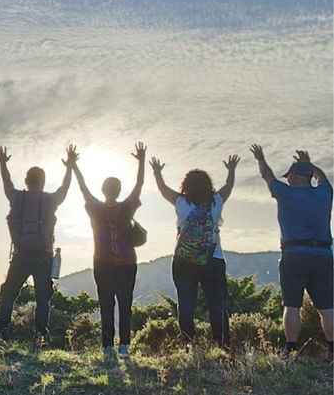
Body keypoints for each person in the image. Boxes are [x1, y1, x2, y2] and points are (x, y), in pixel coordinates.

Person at [249, 145, 333, 360]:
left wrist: (260, 158)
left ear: (295, 176)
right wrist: (309, 163)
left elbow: (267, 176)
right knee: (327, 306)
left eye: (289, 176)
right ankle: (332, 350)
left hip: (295, 254)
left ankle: (291, 349)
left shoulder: (285, 193)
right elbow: (321, 176)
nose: (287, 179)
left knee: (292, 305)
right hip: (323, 255)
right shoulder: (325, 193)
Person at [150, 154, 239, 349]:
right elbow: (228, 187)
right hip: (213, 258)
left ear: (186, 185)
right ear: (208, 185)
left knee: (186, 302)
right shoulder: (216, 201)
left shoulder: (180, 202)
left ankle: (188, 343)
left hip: (184, 260)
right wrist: (231, 170)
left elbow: (163, 190)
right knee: (217, 303)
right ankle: (222, 343)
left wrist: (157, 173)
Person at [71, 142, 146, 358]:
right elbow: (140, 184)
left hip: (102, 262)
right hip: (127, 263)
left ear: (103, 190)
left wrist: (74, 165)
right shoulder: (127, 207)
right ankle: (124, 347)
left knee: (106, 304)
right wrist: (141, 160)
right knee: (125, 304)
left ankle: (107, 347)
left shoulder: (95, 208)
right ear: (119, 190)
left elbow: (83, 187)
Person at [0, 145, 74, 342]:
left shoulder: (17, 198)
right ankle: (40, 335)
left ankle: (2, 332)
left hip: (20, 254)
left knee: (9, 294)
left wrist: (3, 163)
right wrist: (69, 167)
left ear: (26, 181)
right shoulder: (50, 200)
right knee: (42, 297)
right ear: (43, 182)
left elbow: (6, 183)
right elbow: (65, 189)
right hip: (43, 255)